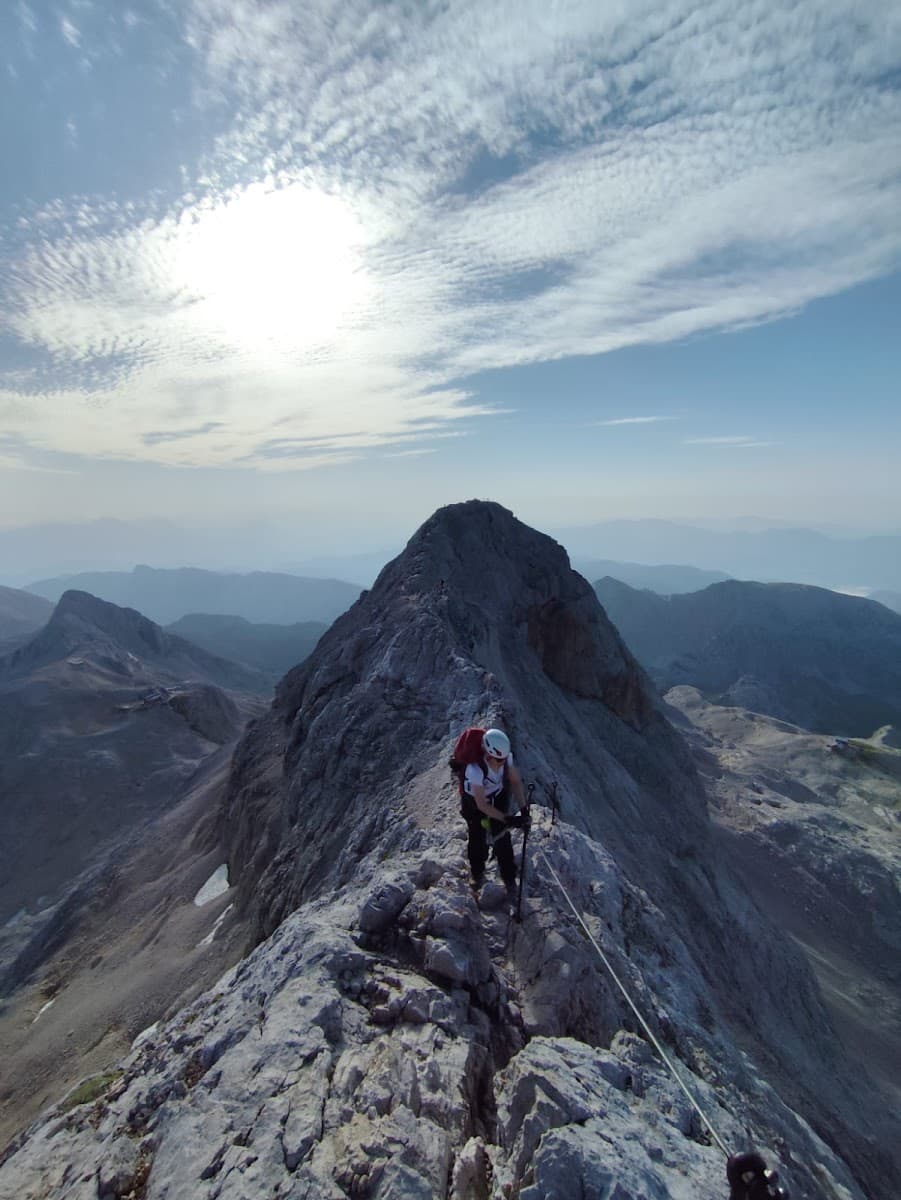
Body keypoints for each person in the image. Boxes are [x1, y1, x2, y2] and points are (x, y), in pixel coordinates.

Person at [460, 728, 529, 893]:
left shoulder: (505, 759)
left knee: (502, 838)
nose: (502, 763)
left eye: (504, 759)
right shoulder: (475, 770)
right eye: (498, 760)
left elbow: (516, 782)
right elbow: (481, 805)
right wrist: (507, 819)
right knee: (477, 836)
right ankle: (477, 873)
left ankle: (509, 878)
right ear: (488, 754)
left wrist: (523, 810)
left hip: (496, 796)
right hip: (474, 803)